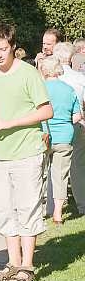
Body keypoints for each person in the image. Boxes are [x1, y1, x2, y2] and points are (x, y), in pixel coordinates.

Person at [0, 23, 53, 281]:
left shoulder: (28, 73)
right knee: (3, 208)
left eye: (2, 49)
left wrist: (10, 123)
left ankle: (27, 265)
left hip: (27, 152)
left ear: (12, 47)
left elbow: (46, 111)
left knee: (28, 206)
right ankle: (13, 262)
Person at [38, 56, 82, 225]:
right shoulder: (69, 89)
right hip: (65, 136)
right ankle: (57, 214)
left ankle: (39, 211)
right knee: (60, 176)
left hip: (43, 136)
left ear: (43, 70)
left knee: (39, 174)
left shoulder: (40, 88)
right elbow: (77, 116)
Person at [53, 42, 85, 215]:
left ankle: (52, 206)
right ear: (72, 57)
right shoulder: (80, 78)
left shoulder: (50, 79)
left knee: (53, 167)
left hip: (54, 126)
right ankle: (82, 205)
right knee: (78, 166)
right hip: (76, 123)